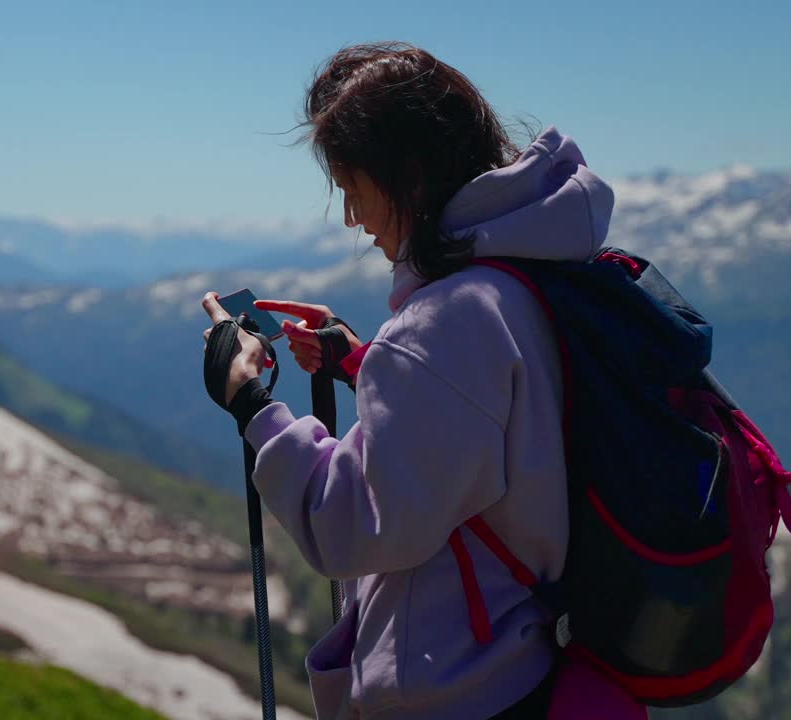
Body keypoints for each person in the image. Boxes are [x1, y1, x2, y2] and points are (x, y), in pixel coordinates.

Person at [201, 42, 617, 719]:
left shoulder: (444, 322)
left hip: (450, 688)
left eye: (354, 190)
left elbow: (351, 529)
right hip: (519, 662)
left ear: (411, 178)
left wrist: (252, 404)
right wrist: (365, 366)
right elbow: (501, 429)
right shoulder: (529, 269)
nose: (352, 220)